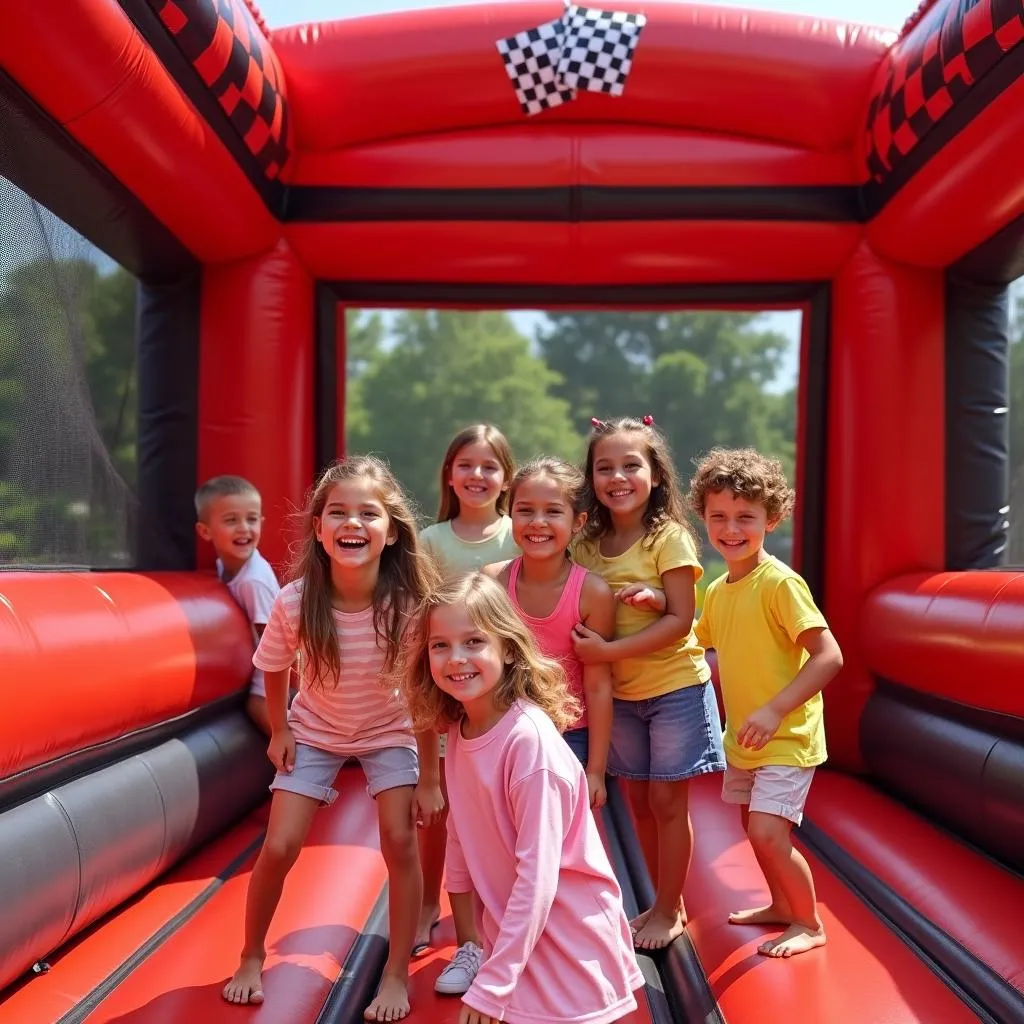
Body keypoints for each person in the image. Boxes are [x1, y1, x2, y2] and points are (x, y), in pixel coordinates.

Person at [221, 456, 443, 1022]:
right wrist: (281, 728)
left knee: (399, 840)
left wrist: (430, 777)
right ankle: (250, 955)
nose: (353, 523)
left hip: (387, 728)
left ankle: (394, 974)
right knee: (279, 846)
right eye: (337, 512)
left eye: (369, 513)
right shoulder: (297, 599)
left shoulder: (408, 604)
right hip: (316, 729)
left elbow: (421, 695)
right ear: (318, 528)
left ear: (391, 531)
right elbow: (272, 665)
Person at [403, 572, 645, 1024]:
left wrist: (493, 983)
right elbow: (459, 838)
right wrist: (473, 942)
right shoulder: (461, 730)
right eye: (440, 645)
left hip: (570, 945)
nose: (456, 659)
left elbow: (537, 876)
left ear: (508, 649)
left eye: (474, 641)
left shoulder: (528, 744)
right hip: (515, 940)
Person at [571, 416, 725, 951]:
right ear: (591, 479)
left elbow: (682, 619)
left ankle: (667, 909)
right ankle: (667, 902)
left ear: (655, 475)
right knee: (636, 801)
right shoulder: (588, 545)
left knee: (667, 802)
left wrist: (611, 649)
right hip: (622, 694)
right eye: (604, 467)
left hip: (675, 687)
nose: (618, 476)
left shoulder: (668, 538)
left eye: (631, 465)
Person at [688, 447, 842, 958]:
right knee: (750, 828)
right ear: (704, 518)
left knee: (768, 832)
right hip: (746, 739)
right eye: (719, 517)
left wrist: (776, 709)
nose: (731, 528)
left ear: (770, 519)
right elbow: (696, 640)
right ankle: (780, 903)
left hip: (786, 735)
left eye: (745, 517)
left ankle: (808, 921)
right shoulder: (718, 589)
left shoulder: (779, 583)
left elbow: (828, 656)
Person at [417, 424, 519, 992]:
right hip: (451, 685)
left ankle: (507, 916)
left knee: (498, 807)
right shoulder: (433, 541)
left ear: (505, 478)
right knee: (444, 810)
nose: (477, 476)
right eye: (466, 465)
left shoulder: (517, 531)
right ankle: (435, 908)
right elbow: (424, 618)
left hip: (505, 688)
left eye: (489, 466)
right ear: (449, 475)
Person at [483, 456, 615, 806]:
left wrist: (597, 770)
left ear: (578, 522)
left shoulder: (592, 593)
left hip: (569, 738)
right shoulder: (491, 582)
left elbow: (598, 683)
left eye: (553, 512)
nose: (537, 522)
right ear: (510, 515)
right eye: (525, 510)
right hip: (501, 732)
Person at [195, 475, 281, 735]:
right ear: (205, 531)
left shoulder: (253, 581)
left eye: (252, 519)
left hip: (279, 660)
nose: (244, 528)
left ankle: (306, 752)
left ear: (262, 523)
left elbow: (275, 638)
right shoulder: (225, 566)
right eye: (231, 520)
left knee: (258, 706)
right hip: (266, 657)